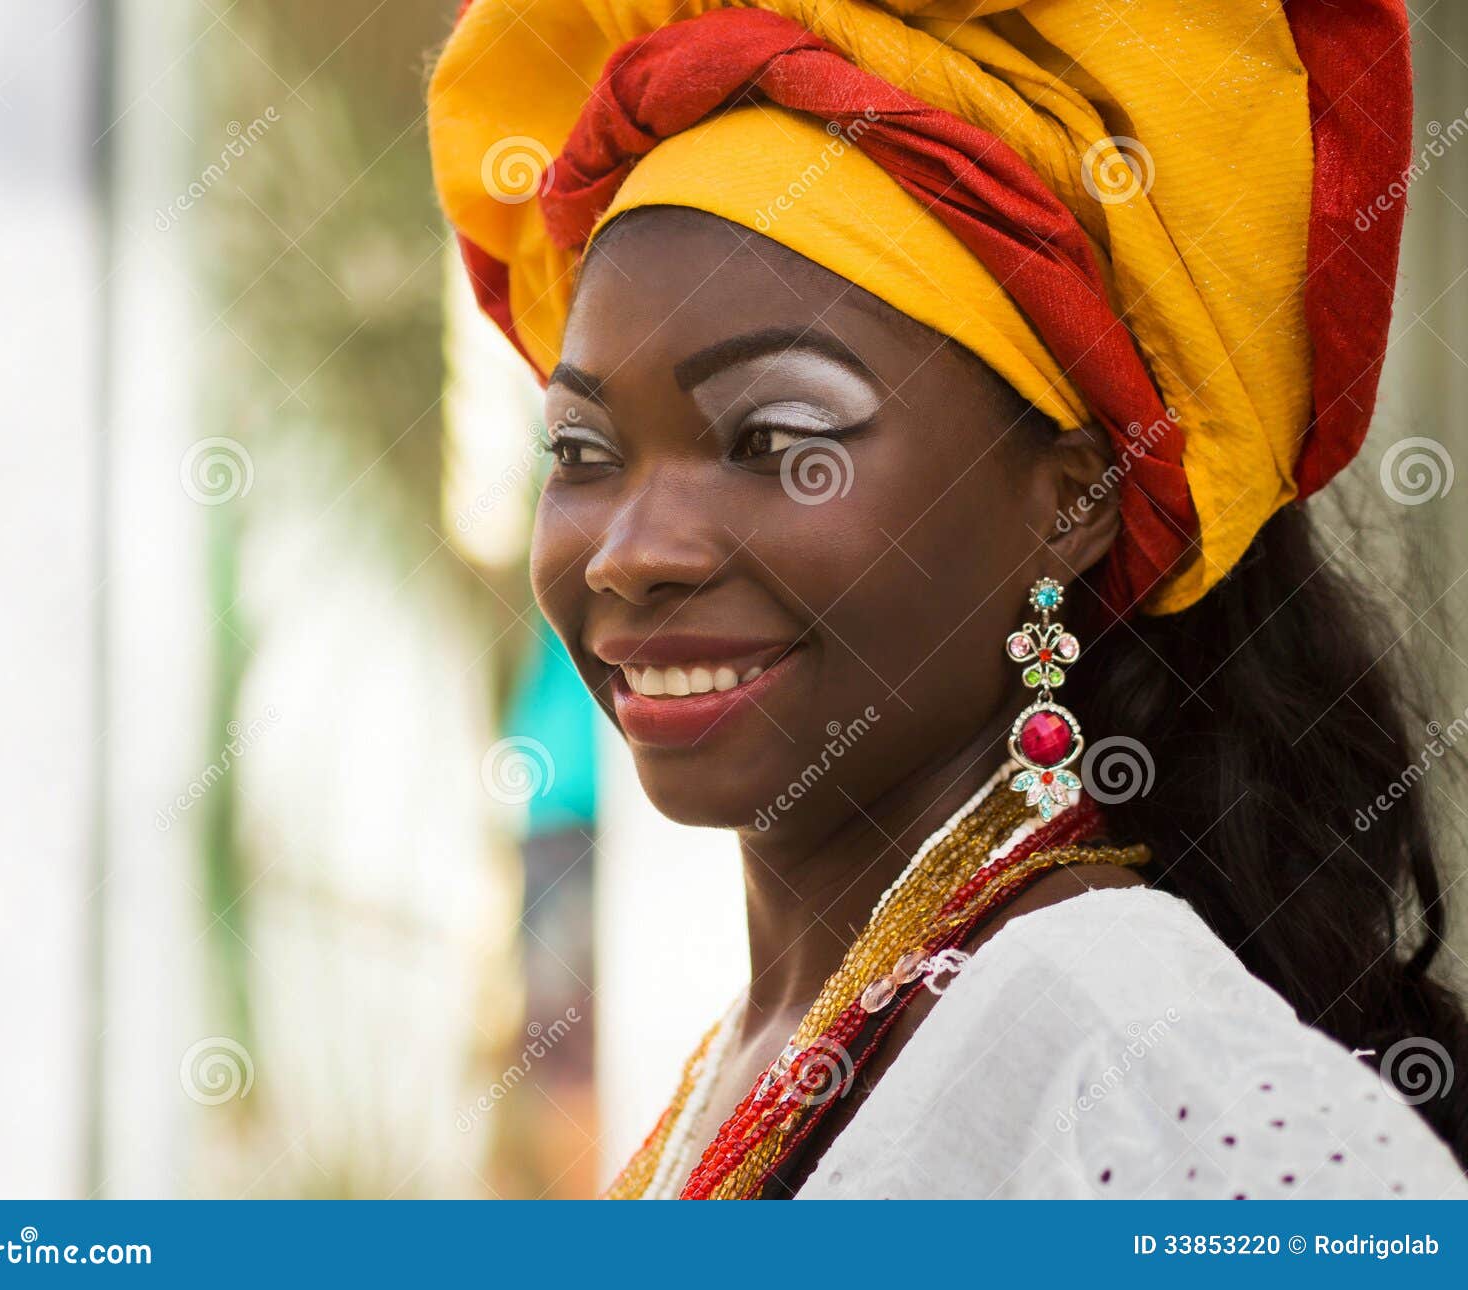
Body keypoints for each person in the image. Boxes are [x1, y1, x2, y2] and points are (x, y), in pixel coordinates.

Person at [427, 0, 1468, 1198]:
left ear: (1071, 503)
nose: (629, 552)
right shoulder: (780, 1040)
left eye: (774, 438)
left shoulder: (1144, 1072)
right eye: (582, 451)